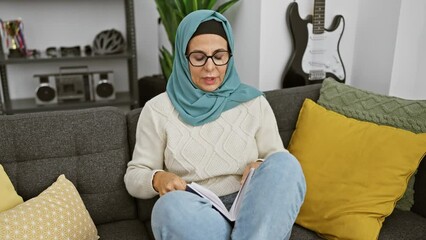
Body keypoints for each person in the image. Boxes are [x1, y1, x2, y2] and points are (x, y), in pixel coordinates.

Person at [124, 9, 306, 240]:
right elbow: (134, 175)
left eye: (219, 56)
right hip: (199, 211)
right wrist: (158, 178)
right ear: (183, 57)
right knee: (167, 209)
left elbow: (276, 158)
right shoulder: (157, 110)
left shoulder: (254, 102)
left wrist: (260, 163)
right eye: (199, 58)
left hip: (252, 207)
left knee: (286, 163)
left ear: (230, 55)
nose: (210, 68)